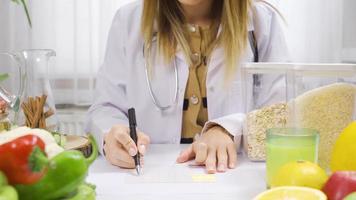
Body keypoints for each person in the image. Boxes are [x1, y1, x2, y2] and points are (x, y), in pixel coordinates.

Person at [85, 0, 288, 174]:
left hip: (233, 175)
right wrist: (112, 136)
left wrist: (228, 129)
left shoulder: (262, 22)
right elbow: (105, 108)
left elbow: (281, 113)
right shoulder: (128, 21)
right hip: (151, 178)